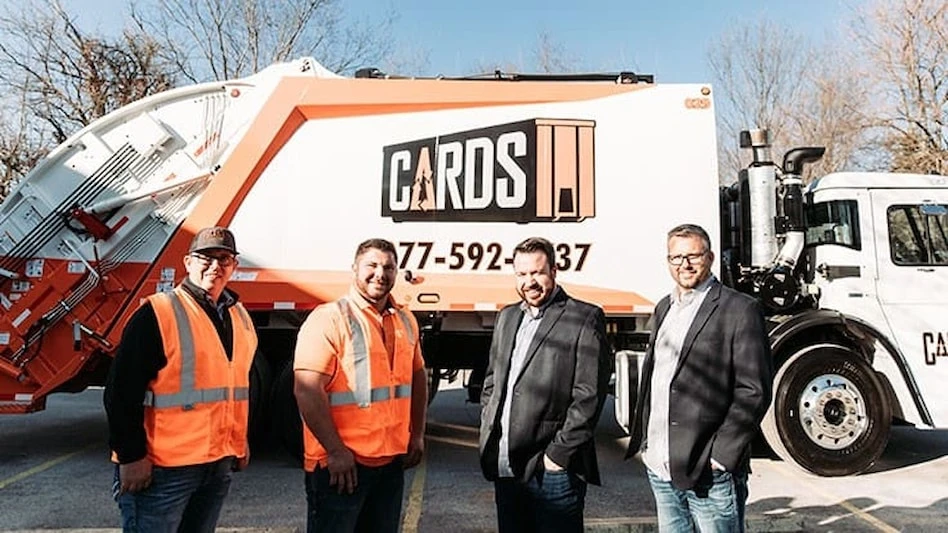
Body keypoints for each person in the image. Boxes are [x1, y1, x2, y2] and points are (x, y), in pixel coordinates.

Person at [104, 226, 257, 532]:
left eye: (224, 258)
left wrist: (239, 444)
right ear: (187, 262)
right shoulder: (158, 313)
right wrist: (131, 456)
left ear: (234, 266)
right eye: (206, 257)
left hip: (217, 463)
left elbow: (233, 388)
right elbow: (121, 392)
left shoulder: (238, 316)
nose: (215, 266)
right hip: (163, 469)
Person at [625, 223, 773, 533]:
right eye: (676, 258)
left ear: (711, 257)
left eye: (693, 256)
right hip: (660, 467)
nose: (685, 265)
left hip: (710, 471)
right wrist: (646, 447)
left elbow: (753, 390)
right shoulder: (664, 307)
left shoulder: (739, 309)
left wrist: (720, 455)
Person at [294, 238, 427, 533]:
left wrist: (416, 434)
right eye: (372, 265)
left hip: (389, 464)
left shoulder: (406, 320)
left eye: (389, 267)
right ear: (354, 269)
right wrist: (336, 451)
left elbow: (418, 377)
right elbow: (306, 389)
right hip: (341, 466)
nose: (380, 273)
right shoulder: (328, 319)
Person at [479, 236, 611, 533]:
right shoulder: (507, 316)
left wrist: (557, 456)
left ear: (554, 270)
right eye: (522, 274)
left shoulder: (584, 317)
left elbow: (588, 396)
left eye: (537, 272)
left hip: (553, 471)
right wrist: (489, 424)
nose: (530, 281)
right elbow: (493, 381)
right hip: (506, 465)